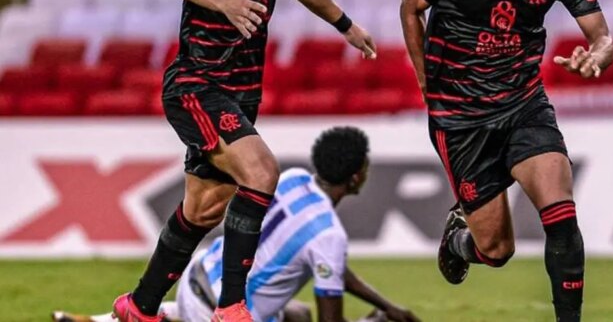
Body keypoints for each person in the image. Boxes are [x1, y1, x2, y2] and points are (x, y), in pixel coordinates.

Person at [111, 0, 377, 321]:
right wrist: (225, 2)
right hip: (197, 85)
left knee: (204, 208)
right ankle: (232, 307)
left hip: (241, 91)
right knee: (261, 173)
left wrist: (345, 24)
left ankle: (139, 306)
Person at [399, 0, 613, 322]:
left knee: (561, 214)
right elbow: (411, 6)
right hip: (460, 118)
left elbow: (602, 37)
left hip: (523, 104)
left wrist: (595, 55)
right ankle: (460, 239)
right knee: (496, 250)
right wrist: (423, 77)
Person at [53, 127, 420, 322]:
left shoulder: (291, 179)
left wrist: (385, 303)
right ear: (356, 177)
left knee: (297, 313)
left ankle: (103, 320)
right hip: (225, 314)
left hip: (196, 280)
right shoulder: (329, 235)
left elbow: (333, 267)